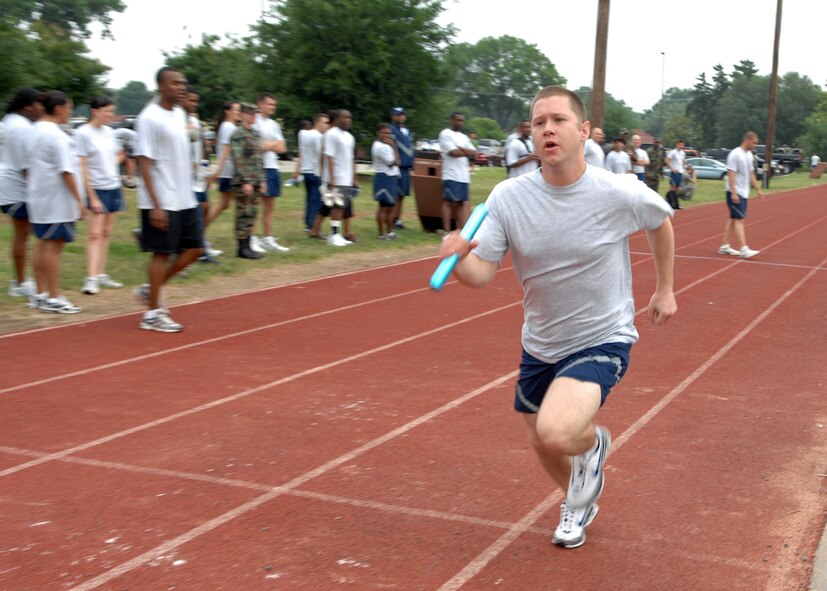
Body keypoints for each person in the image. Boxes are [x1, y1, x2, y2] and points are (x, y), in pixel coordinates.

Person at [439, 86, 676, 549]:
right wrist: (460, 257)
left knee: (559, 431)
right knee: (542, 439)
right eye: (538, 122)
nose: (547, 128)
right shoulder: (509, 197)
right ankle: (577, 501)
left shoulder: (616, 191)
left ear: (583, 131)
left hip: (601, 336)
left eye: (559, 120)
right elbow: (482, 274)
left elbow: (661, 221)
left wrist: (665, 288)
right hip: (541, 342)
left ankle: (592, 447)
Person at [133, 66, 203, 333]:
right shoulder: (149, 118)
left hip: (184, 196)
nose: (181, 87)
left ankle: (151, 289)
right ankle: (152, 314)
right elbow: (144, 162)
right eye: (175, 83)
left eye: (183, 83)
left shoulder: (180, 113)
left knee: (196, 249)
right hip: (162, 198)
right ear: (161, 86)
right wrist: (156, 205)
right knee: (161, 252)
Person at [26, 90, 85, 313]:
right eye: (69, 108)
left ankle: (40, 294)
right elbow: (66, 171)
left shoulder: (34, 130)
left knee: (41, 244)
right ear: (59, 108)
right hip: (56, 200)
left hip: (39, 197)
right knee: (53, 248)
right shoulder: (57, 136)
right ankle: (54, 296)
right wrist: (79, 201)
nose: (69, 113)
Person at [75, 96, 127, 295]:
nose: (110, 115)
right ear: (94, 111)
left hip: (112, 185)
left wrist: (123, 156)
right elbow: (82, 167)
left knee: (106, 232)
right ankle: (90, 278)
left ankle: (100, 273)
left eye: (112, 111)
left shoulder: (109, 132)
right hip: (96, 188)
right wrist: (92, 197)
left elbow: (114, 157)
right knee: (94, 234)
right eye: (107, 111)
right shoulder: (83, 134)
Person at [0, 88, 43, 298]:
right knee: (25, 235)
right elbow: (26, 166)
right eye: (38, 104)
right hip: (18, 188)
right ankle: (21, 282)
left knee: (23, 235)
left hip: (10, 185)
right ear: (28, 106)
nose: (41, 108)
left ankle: (22, 281)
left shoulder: (9, 120)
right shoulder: (22, 128)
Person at [182, 87, 222, 264]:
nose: (193, 104)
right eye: (190, 100)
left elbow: (201, 146)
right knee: (194, 211)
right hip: (184, 175)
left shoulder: (194, 121)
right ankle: (199, 251)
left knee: (204, 207)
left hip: (198, 173)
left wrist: (204, 167)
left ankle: (200, 244)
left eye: (195, 101)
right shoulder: (177, 119)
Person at [253, 92, 290, 253]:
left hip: (272, 167)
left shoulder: (274, 124)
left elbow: (282, 147)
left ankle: (268, 237)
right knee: (255, 204)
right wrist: (271, 145)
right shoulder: (254, 121)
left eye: (274, 105)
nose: (272, 108)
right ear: (260, 104)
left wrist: (268, 145)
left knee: (270, 206)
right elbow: (255, 144)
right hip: (259, 167)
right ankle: (252, 237)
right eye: (269, 104)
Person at [719, 131, 763, 259]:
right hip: (735, 192)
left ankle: (724, 246)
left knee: (733, 218)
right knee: (740, 219)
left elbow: (751, 174)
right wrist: (733, 193)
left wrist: (758, 189)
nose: (755, 145)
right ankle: (744, 249)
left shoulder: (749, 155)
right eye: (754, 142)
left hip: (744, 192)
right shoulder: (735, 154)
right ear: (747, 140)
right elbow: (731, 173)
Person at [232, 103, 267, 259]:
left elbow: (259, 159)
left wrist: (262, 179)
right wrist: (245, 181)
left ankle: (248, 243)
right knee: (243, 213)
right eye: (251, 113)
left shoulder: (255, 134)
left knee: (252, 212)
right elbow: (238, 159)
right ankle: (242, 247)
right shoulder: (238, 134)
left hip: (256, 180)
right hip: (244, 180)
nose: (254, 116)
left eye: (255, 114)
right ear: (243, 115)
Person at [205, 101, 242, 242]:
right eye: (236, 110)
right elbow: (226, 150)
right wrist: (218, 171)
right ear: (227, 111)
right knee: (240, 203)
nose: (238, 112)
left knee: (224, 204)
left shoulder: (227, 126)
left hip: (228, 171)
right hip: (229, 172)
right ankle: (199, 234)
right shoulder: (229, 127)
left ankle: (200, 233)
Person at [321, 109, 358, 246]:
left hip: (346, 177)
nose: (348, 120)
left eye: (349, 117)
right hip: (336, 176)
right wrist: (331, 177)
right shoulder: (331, 134)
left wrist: (354, 177)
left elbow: (351, 158)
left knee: (342, 207)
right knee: (337, 206)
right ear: (337, 119)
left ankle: (336, 233)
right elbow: (329, 156)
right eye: (345, 117)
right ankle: (334, 234)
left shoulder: (349, 137)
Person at [438, 112, 478, 232]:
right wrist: (466, 151)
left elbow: (474, 153)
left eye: (461, 121)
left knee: (460, 204)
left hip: (463, 176)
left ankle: (460, 230)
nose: (459, 123)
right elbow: (453, 153)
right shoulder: (445, 134)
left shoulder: (464, 137)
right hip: (451, 174)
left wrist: (461, 149)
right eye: (457, 120)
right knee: (449, 202)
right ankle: (446, 231)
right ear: (452, 120)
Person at [293, 113, 328, 233]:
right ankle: (312, 225)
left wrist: (297, 170)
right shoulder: (318, 136)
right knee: (316, 200)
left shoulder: (303, 134)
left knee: (309, 199)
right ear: (318, 123)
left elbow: (301, 152)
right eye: (325, 123)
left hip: (306, 171)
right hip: (315, 171)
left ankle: (308, 223)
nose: (327, 126)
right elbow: (320, 155)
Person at [371, 122, 401, 239]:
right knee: (384, 207)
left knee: (391, 207)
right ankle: (381, 233)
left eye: (389, 133)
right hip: (384, 177)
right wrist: (394, 147)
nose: (387, 135)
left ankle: (390, 232)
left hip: (390, 177)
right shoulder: (380, 146)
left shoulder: (385, 145)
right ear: (378, 133)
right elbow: (394, 162)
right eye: (384, 133)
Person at [390, 106, 413, 229]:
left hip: (406, 166)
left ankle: (398, 218)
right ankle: (392, 218)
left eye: (402, 114)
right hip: (397, 166)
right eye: (398, 115)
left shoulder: (407, 131)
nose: (401, 117)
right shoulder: (391, 129)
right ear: (393, 116)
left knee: (402, 195)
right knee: (395, 194)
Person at [665, 139, 686, 210]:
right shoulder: (673, 152)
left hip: (680, 172)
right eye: (680, 144)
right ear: (677, 144)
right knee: (673, 188)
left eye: (682, 145)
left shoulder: (683, 153)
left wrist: (683, 169)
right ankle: (673, 204)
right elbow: (667, 160)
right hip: (674, 173)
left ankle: (671, 202)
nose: (681, 146)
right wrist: (672, 169)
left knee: (677, 188)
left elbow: (682, 161)